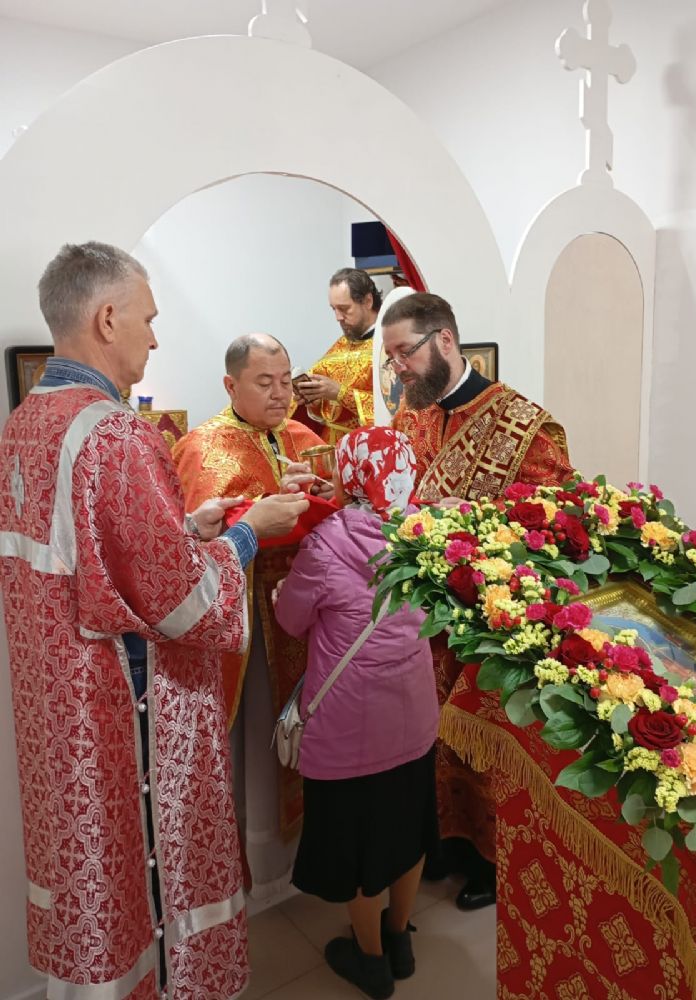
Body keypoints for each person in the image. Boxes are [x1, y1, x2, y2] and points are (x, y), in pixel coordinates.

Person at [0, 241, 308, 999]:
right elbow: (180, 602)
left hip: (56, 712)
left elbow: (91, 558)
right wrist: (247, 533)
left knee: (91, 889)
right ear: (107, 318)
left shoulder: (27, 420)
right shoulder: (115, 430)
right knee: (145, 892)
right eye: (148, 318)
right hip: (121, 708)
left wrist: (188, 529)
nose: (156, 338)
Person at [383, 292, 573, 911]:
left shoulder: (525, 425)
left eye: (404, 354)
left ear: (444, 340)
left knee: (485, 745)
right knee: (426, 736)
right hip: (419, 620)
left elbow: (557, 527)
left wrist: (476, 518)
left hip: (487, 623)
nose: (398, 370)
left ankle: (493, 860)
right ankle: (440, 844)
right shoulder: (410, 416)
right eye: (390, 358)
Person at [274, 427, 439, 1000]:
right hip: (414, 714)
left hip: (350, 726)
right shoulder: (426, 531)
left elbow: (292, 620)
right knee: (409, 829)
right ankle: (400, 939)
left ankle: (370, 961)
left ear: (349, 475)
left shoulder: (326, 544)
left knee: (361, 846)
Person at [172, 332, 332, 897]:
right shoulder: (202, 446)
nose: (280, 394)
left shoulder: (303, 437)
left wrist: (325, 492)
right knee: (258, 736)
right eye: (264, 383)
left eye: (285, 380)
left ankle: (308, 853)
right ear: (230, 385)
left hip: (309, 617)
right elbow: (191, 542)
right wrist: (258, 513)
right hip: (250, 621)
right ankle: (259, 863)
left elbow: (341, 509)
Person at [293, 267, 379, 444]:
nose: (338, 317)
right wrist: (314, 401)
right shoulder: (339, 346)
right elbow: (326, 413)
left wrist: (341, 394)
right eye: (334, 309)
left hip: (371, 446)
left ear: (368, 301)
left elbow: (396, 408)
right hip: (333, 448)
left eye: (344, 309)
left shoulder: (389, 346)